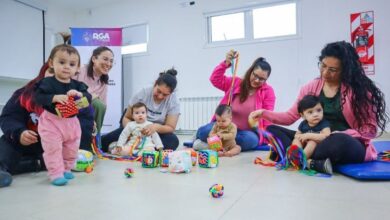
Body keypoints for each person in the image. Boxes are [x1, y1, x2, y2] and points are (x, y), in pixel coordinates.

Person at [249, 41, 389, 173]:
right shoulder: (310, 87)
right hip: (313, 140)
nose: (325, 73)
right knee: (271, 130)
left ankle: (296, 156)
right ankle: (311, 161)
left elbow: (369, 130)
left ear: (345, 70)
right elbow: (290, 116)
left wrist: (340, 134)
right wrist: (263, 113)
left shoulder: (360, 92)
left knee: (337, 142)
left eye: (333, 70)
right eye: (323, 66)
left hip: (343, 142)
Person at [194, 50, 275, 152]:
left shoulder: (268, 92)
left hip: (244, 133)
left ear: (266, 79)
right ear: (251, 71)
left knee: (251, 140)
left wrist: (267, 137)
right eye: (255, 75)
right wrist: (226, 63)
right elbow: (215, 79)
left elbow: (268, 117)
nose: (257, 80)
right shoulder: (236, 83)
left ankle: (209, 144)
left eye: (262, 79)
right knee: (204, 131)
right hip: (222, 127)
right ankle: (225, 145)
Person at [34, 44, 92, 186]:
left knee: (71, 148)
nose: (66, 67)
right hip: (51, 122)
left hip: (72, 123)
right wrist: (53, 98)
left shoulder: (78, 85)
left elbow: (88, 98)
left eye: (72, 64)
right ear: (51, 63)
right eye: (62, 62)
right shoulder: (47, 83)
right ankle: (55, 173)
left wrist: (79, 95)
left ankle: (66, 169)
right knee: (53, 149)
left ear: (78, 68)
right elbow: (37, 97)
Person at [101, 68, 180, 151]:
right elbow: (126, 117)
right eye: (158, 91)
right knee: (104, 142)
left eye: (165, 95)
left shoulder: (174, 101)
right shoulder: (143, 92)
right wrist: (133, 129)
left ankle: (138, 147)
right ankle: (132, 145)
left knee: (172, 141)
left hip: (155, 131)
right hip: (133, 125)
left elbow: (170, 127)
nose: (160, 96)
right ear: (155, 84)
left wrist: (155, 127)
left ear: (171, 93)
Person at [73, 46, 114, 134]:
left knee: (100, 105)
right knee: (96, 102)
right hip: (71, 108)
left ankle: (96, 140)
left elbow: (103, 106)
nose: (108, 64)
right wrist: (90, 97)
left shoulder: (103, 81)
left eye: (111, 61)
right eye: (105, 59)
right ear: (94, 59)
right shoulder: (79, 70)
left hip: (88, 113)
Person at [293, 95, 331, 174]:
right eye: (310, 112)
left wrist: (308, 135)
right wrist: (300, 137)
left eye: (318, 110)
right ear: (303, 115)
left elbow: (327, 136)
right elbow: (297, 134)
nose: (315, 114)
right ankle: (297, 155)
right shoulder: (303, 124)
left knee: (312, 142)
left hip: (318, 148)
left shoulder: (324, 123)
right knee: (296, 140)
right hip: (304, 145)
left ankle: (301, 160)